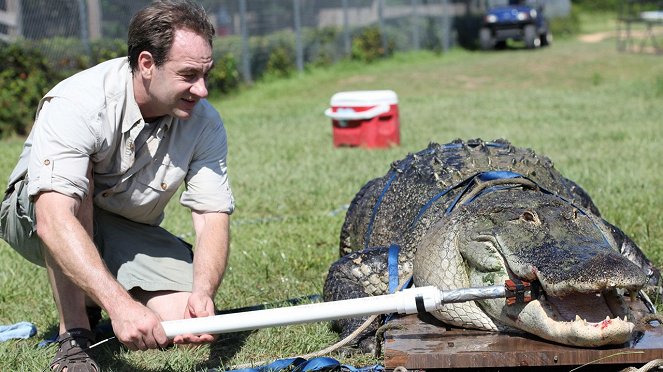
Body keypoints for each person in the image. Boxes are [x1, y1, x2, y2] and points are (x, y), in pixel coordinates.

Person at [0, 1, 233, 370]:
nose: (201, 89)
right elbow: (53, 218)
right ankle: (74, 335)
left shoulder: (205, 123)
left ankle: (96, 295)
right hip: (36, 214)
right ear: (146, 64)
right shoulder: (78, 102)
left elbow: (211, 215)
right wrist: (121, 307)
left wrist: (203, 294)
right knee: (78, 187)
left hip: (122, 224)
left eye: (206, 74)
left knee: (179, 325)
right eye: (188, 75)